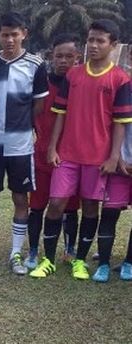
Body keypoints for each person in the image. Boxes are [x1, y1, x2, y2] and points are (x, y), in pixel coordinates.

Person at [30, 20, 132, 280]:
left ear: (113, 45)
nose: (94, 45)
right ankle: (48, 260)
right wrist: (52, 147)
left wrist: (113, 156)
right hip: (67, 155)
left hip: (98, 159)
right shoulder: (73, 75)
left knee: (89, 208)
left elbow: (120, 123)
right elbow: (60, 114)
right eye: (91, 40)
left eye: (100, 40)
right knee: (56, 203)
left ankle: (79, 261)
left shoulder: (120, 79)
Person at [0, 12, 49, 275]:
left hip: (21, 146)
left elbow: (39, 105)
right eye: (5, 34)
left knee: (20, 197)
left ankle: (15, 253)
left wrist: (18, 126)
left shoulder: (36, 65)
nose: (10, 39)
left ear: (23, 34)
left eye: (14, 34)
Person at [25, 33, 82, 270]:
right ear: (51, 57)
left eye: (69, 56)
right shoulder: (41, 87)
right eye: (59, 56)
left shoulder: (81, 85)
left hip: (72, 158)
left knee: (70, 207)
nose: (63, 61)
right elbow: (30, 116)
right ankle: (34, 250)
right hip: (42, 157)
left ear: (77, 58)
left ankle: (69, 249)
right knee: (37, 206)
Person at [89, 45, 132, 282]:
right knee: (110, 213)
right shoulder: (124, 86)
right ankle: (104, 264)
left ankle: (128, 262)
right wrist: (116, 156)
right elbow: (112, 124)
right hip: (119, 163)